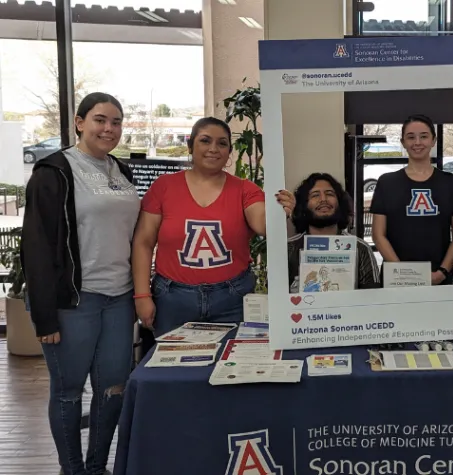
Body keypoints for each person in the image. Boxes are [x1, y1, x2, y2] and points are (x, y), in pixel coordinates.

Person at [20, 92, 139, 475]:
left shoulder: (121, 170)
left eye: (117, 122)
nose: (109, 129)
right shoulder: (54, 171)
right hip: (74, 302)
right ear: (79, 121)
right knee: (69, 392)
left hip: (119, 299)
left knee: (113, 390)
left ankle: (96, 467)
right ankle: (72, 469)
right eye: (101, 120)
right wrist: (45, 318)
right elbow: (36, 245)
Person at [131, 117, 295, 336]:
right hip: (172, 299)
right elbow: (143, 242)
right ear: (191, 146)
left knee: (229, 366)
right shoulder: (164, 187)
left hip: (232, 298)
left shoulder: (245, 189)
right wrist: (142, 295)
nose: (213, 149)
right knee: (171, 367)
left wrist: (279, 212)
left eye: (222, 143)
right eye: (205, 141)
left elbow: (263, 225)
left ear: (229, 152)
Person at [370, 114, 453, 285]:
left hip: (439, 278)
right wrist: (403, 274)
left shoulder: (450, 182)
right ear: (403, 142)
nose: (417, 142)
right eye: (411, 137)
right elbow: (378, 235)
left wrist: (442, 272)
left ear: (433, 140)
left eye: (424, 136)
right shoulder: (387, 183)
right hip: (396, 280)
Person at [288, 172, 380, 290]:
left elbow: (372, 298)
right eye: (315, 195)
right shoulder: (289, 248)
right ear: (304, 205)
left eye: (329, 194)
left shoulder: (360, 248)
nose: (323, 199)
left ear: (340, 202)